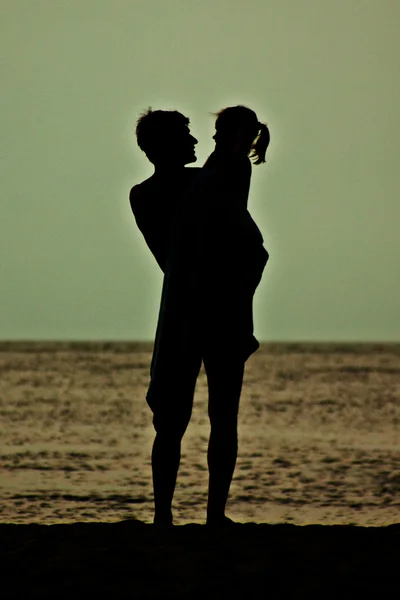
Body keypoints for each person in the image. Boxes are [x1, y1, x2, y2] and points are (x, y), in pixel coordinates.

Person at [147, 105, 270, 527]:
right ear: (163, 144)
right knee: (193, 418)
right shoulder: (197, 182)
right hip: (207, 309)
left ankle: (182, 515)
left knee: (199, 418)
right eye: (186, 134)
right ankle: (188, 515)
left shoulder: (198, 181)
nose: (197, 141)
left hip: (190, 308)